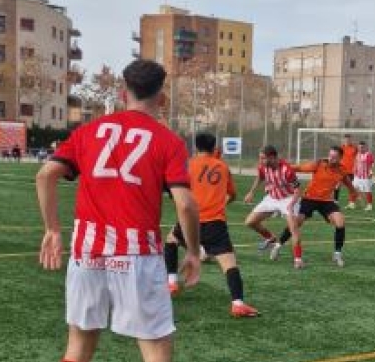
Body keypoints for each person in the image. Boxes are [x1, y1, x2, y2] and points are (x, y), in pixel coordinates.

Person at [36, 59, 201, 362]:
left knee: (78, 345)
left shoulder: (89, 131)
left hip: (88, 250)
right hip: (138, 253)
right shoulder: (169, 141)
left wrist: (53, 229)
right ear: (161, 98)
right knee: (155, 346)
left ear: (124, 94)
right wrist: (193, 251)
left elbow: (46, 175)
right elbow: (186, 204)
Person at [164, 133, 259, 317]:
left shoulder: (188, 164)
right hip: (216, 223)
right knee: (229, 264)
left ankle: (172, 282)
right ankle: (238, 303)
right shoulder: (223, 166)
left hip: (191, 220)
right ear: (214, 146)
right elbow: (233, 194)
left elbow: (175, 191)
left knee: (171, 241)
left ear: (196, 146)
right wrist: (220, 204)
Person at [271, 146, 357, 269]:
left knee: (340, 222)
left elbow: (347, 182)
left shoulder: (342, 170)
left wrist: (353, 192)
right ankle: (278, 245)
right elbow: (299, 168)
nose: (331, 158)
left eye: (334, 157)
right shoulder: (319, 164)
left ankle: (337, 254)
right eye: (330, 155)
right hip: (309, 198)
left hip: (326, 201)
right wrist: (283, 166)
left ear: (340, 158)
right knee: (296, 223)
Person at [243, 145, 300, 253]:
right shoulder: (262, 166)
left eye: (263, 158)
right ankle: (270, 238)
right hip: (272, 198)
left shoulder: (287, 170)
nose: (261, 160)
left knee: (293, 229)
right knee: (249, 222)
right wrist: (251, 192)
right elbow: (260, 177)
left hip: (288, 199)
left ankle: (298, 258)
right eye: (260, 158)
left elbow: (297, 190)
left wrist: (291, 204)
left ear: (273, 157)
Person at [351, 141, 375, 211]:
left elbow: (372, 164)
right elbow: (356, 163)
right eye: (359, 147)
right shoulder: (357, 154)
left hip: (366, 176)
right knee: (353, 189)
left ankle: (369, 205)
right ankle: (352, 204)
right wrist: (354, 170)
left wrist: (370, 173)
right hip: (357, 176)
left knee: (367, 191)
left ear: (365, 147)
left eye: (362, 147)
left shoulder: (368, 155)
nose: (360, 149)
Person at [336, 134, 358, 207]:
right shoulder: (340, 148)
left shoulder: (355, 148)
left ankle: (352, 203)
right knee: (337, 185)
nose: (347, 141)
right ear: (343, 140)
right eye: (346, 139)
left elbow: (358, 158)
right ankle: (336, 201)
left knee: (351, 187)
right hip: (341, 170)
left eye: (349, 139)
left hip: (351, 171)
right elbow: (337, 158)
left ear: (351, 140)